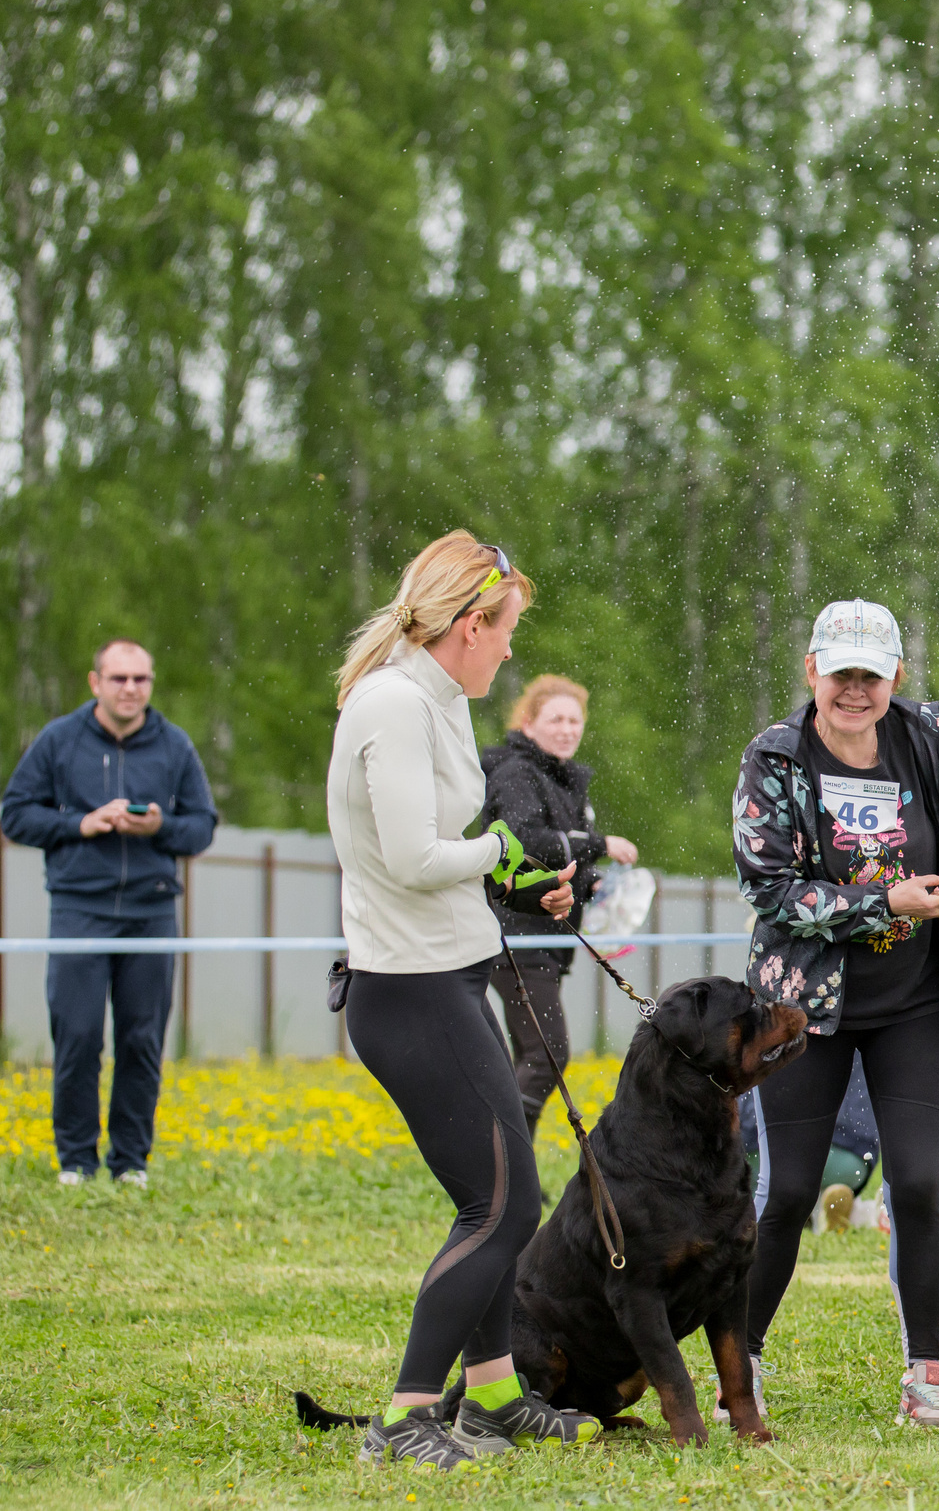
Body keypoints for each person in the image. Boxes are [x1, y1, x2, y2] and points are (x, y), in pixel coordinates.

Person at [327, 532, 598, 1468]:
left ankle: (491, 1401)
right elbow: (409, 861)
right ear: (471, 624)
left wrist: (521, 883)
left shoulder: (437, 698)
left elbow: (444, 852)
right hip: (409, 994)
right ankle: (402, 1419)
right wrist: (502, 856)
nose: (513, 651)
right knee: (504, 1209)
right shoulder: (396, 704)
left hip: (447, 975)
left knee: (489, 1200)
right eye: (508, 630)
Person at [733, 599, 939, 1432]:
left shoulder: (927, 740)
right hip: (800, 1008)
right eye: (841, 672)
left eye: (872, 675)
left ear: (894, 679)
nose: (855, 689)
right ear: (812, 671)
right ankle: (736, 1365)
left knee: (920, 1187)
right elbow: (771, 891)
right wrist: (883, 899)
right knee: (785, 1193)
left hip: (916, 1001)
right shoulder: (775, 757)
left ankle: (925, 1376)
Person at [2, 638, 217, 1190]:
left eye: (140, 679)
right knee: (76, 1037)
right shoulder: (58, 740)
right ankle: (75, 1161)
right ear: (95, 682)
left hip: (152, 911)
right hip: (79, 909)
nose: (130, 689)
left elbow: (201, 827)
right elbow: (16, 814)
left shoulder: (173, 746)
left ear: (151, 684)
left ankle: (130, 1165)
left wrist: (159, 828)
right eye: (119, 678)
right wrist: (80, 823)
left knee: (142, 1040)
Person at [474, 674, 640, 1138]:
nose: (568, 729)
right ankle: (506, 1165)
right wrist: (600, 842)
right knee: (548, 1055)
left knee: (531, 1056)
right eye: (556, 719)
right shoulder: (516, 773)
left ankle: (507, 1168)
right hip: (515, 937)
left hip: (539, 940)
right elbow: (523, 841)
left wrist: (596, 887)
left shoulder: (562, 780)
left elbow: (558, 865)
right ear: (528, 724)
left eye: (575, 720)